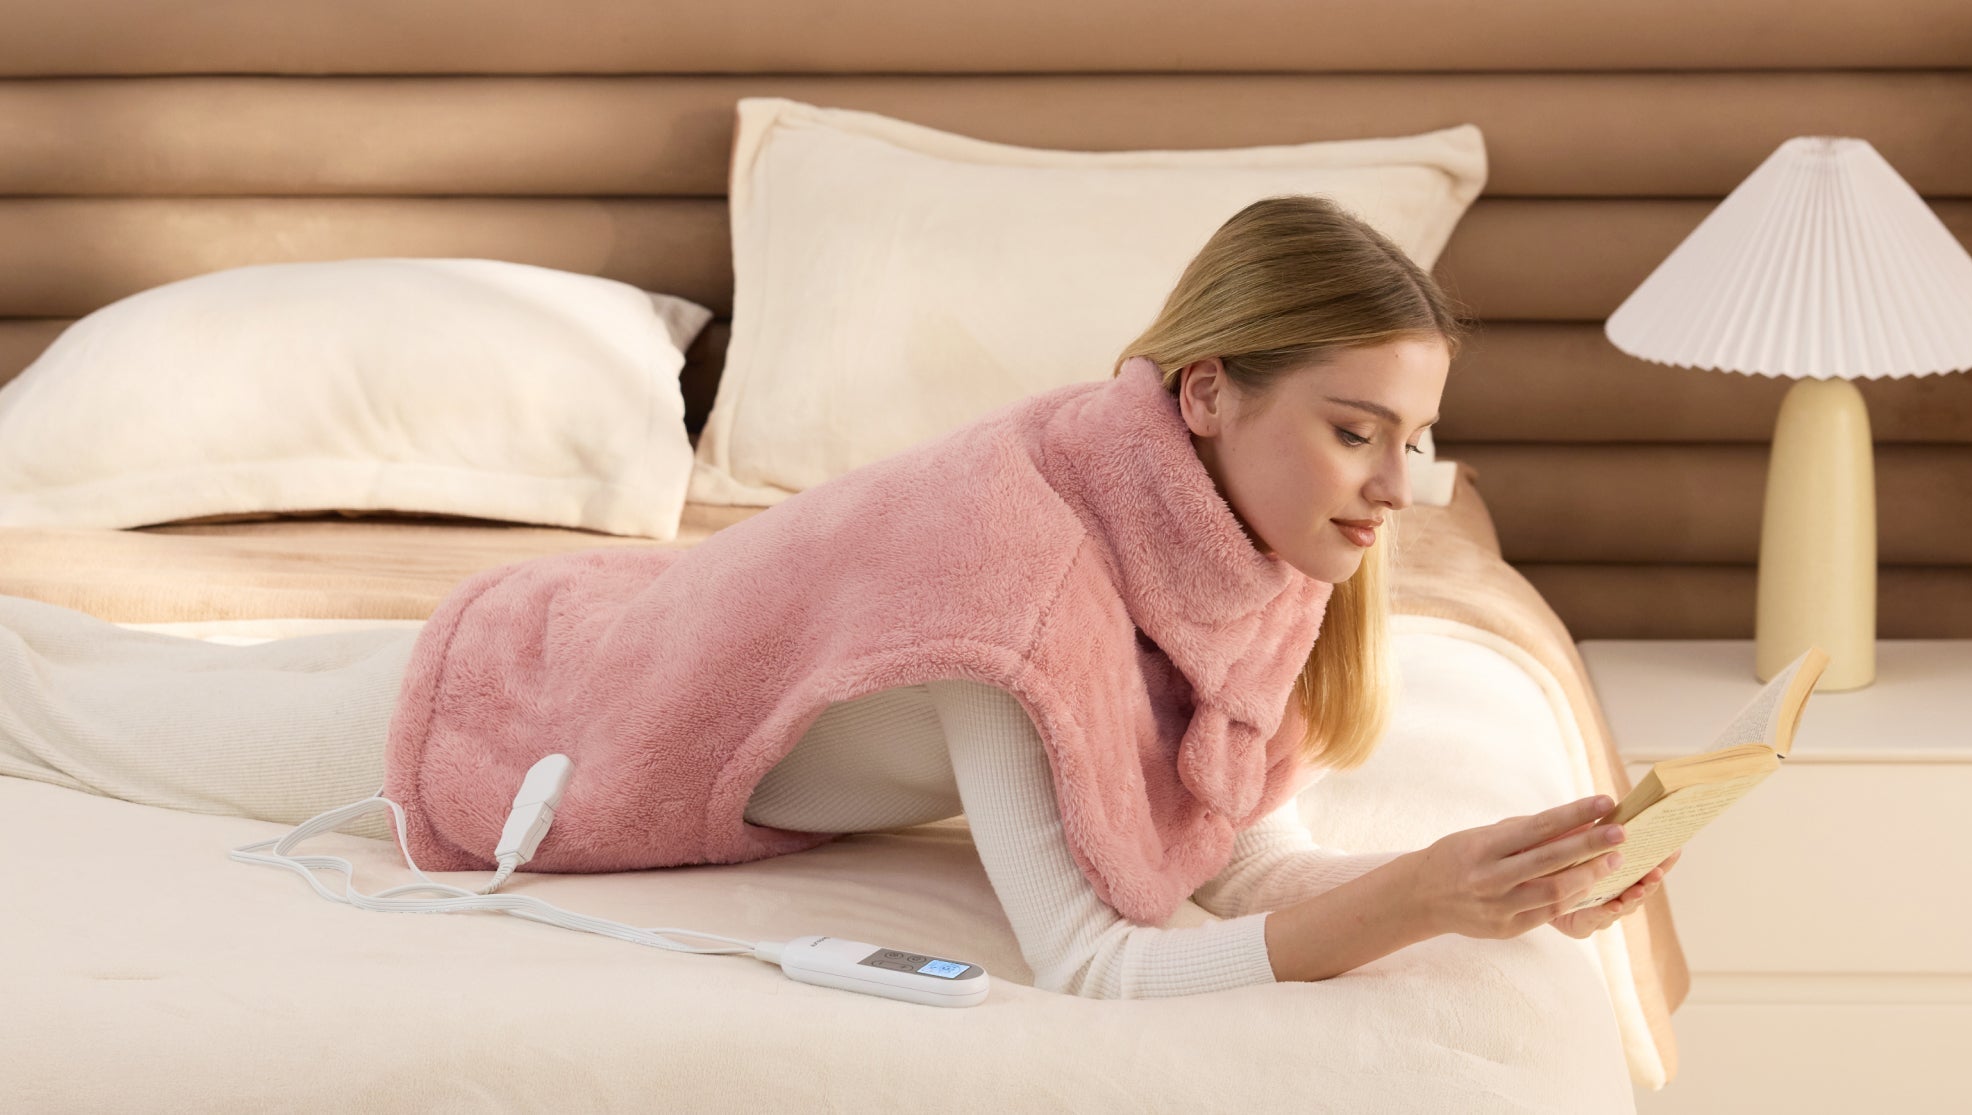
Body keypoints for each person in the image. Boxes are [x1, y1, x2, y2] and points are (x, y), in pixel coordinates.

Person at [0, 194, 1676, 998]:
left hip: (597, 629)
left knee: (68, 673)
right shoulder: (1010, 591)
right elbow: (1094, 962)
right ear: (1206, 395)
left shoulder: (1247, 558)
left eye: (1420, 441)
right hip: (523, 710)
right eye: (1358, 432)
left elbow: (1220, 856)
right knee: (62, 707)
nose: (1399, 486)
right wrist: (1411, 909)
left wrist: (1482, 877)